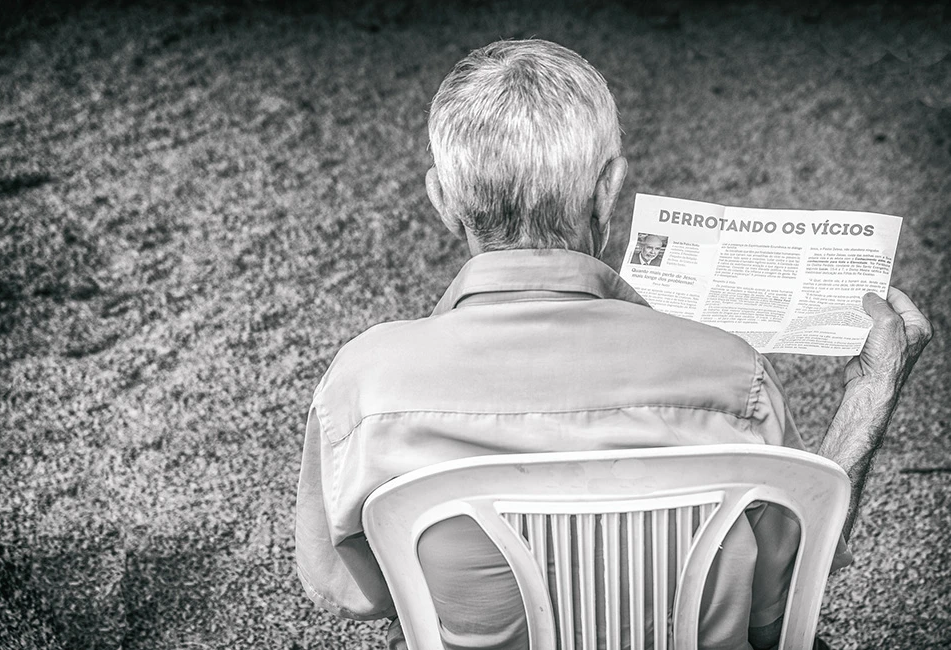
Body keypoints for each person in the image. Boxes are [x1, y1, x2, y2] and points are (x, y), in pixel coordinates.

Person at [294, 39, 932, 650]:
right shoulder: (731, 374)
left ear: (442, 200)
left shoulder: (365, 383)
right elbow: (785, 604)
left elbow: (357, 592)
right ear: (609, 188)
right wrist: (870, 395)